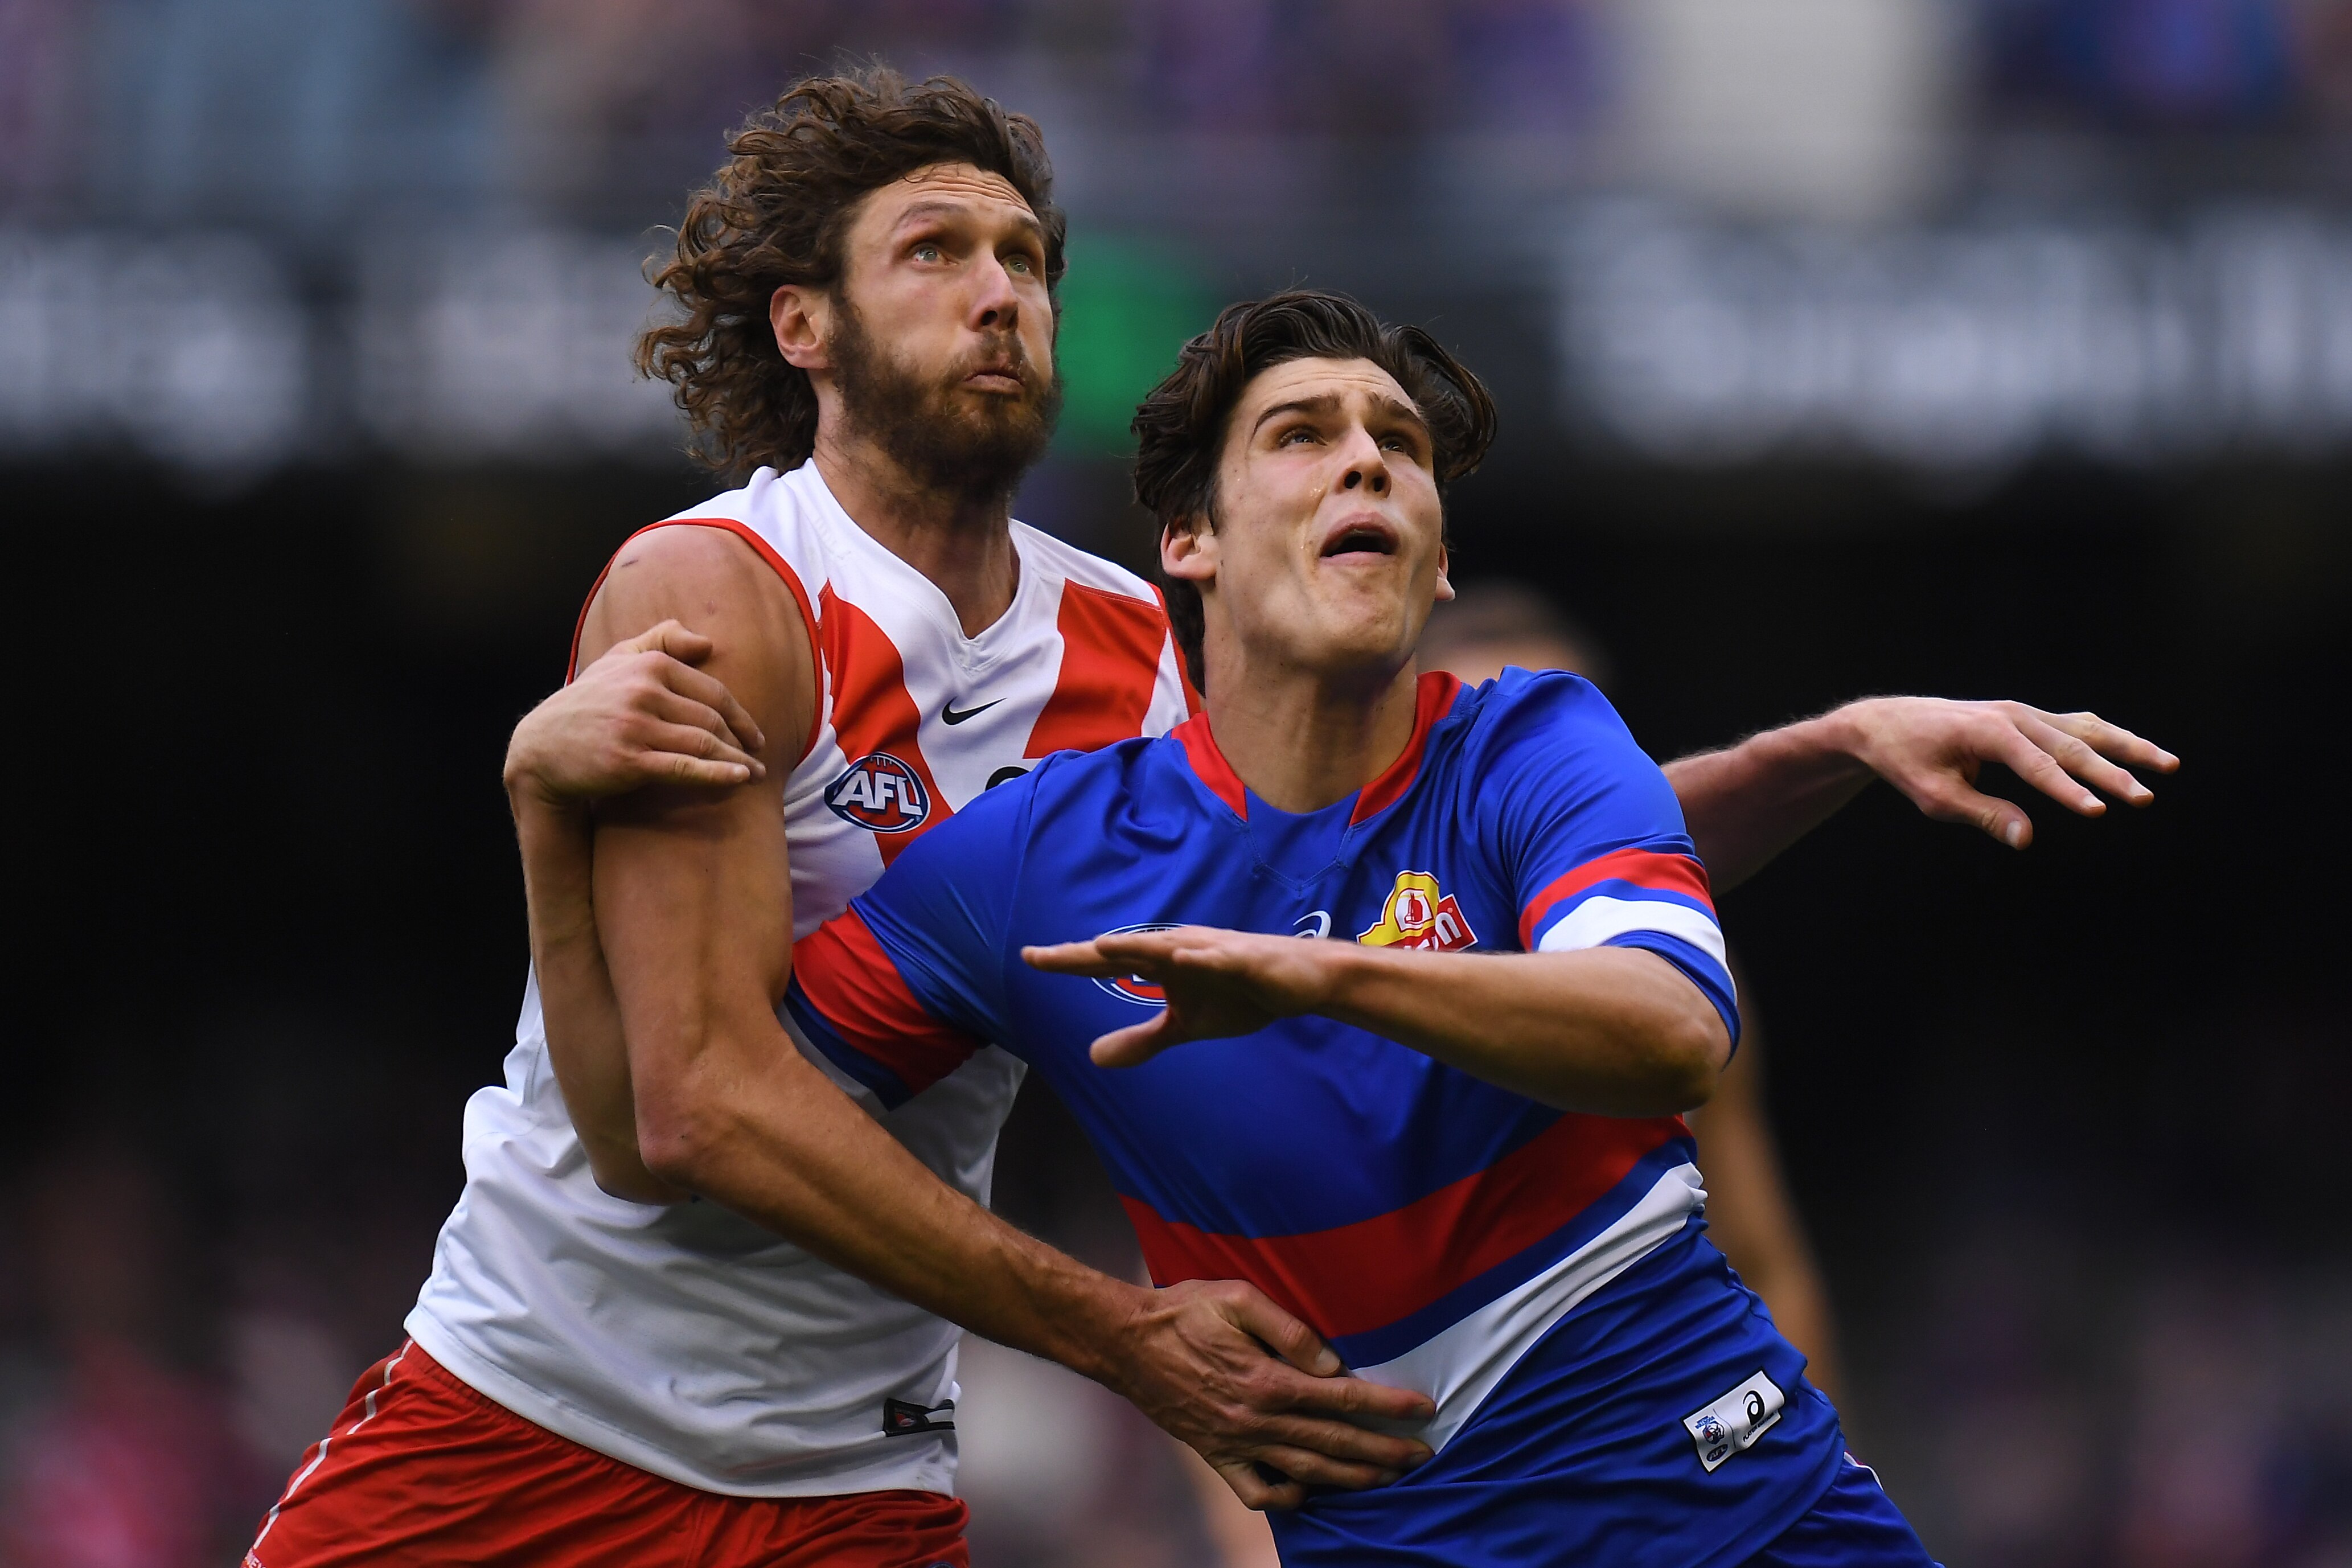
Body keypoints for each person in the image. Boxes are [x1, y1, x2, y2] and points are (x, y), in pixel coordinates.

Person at [252, 74, 2175, 1568]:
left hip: (848, 1451)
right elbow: (676, 1117)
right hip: (540, 1395)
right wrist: (1119, 1334)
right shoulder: (724, 594)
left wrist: (1818, 751)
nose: (1001, 292)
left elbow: (1418, 872)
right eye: (936, 253)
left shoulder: (1117, 642)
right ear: (804, 328)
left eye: (1027, 260)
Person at [1419, 585, 1843, 1395]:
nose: (1535, 775)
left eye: (1564, 742)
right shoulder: (1327, 973)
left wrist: (1823, 1458)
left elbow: (1761, 1258)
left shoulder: (1680, 986)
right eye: (1489, 746)